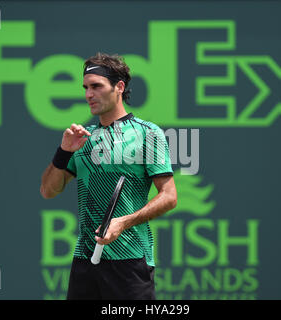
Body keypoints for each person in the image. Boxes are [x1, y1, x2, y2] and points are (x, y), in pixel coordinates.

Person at [40, 52, 177, 300]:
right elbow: (48, 191)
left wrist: (123, 222)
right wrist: (63, 152)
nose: (88, 95)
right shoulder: (83, 139)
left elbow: (169, 196)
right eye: (85, 88)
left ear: (119, 87)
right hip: (84, 260)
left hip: (131, 259)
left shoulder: (148, 134)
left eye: (96, 86)